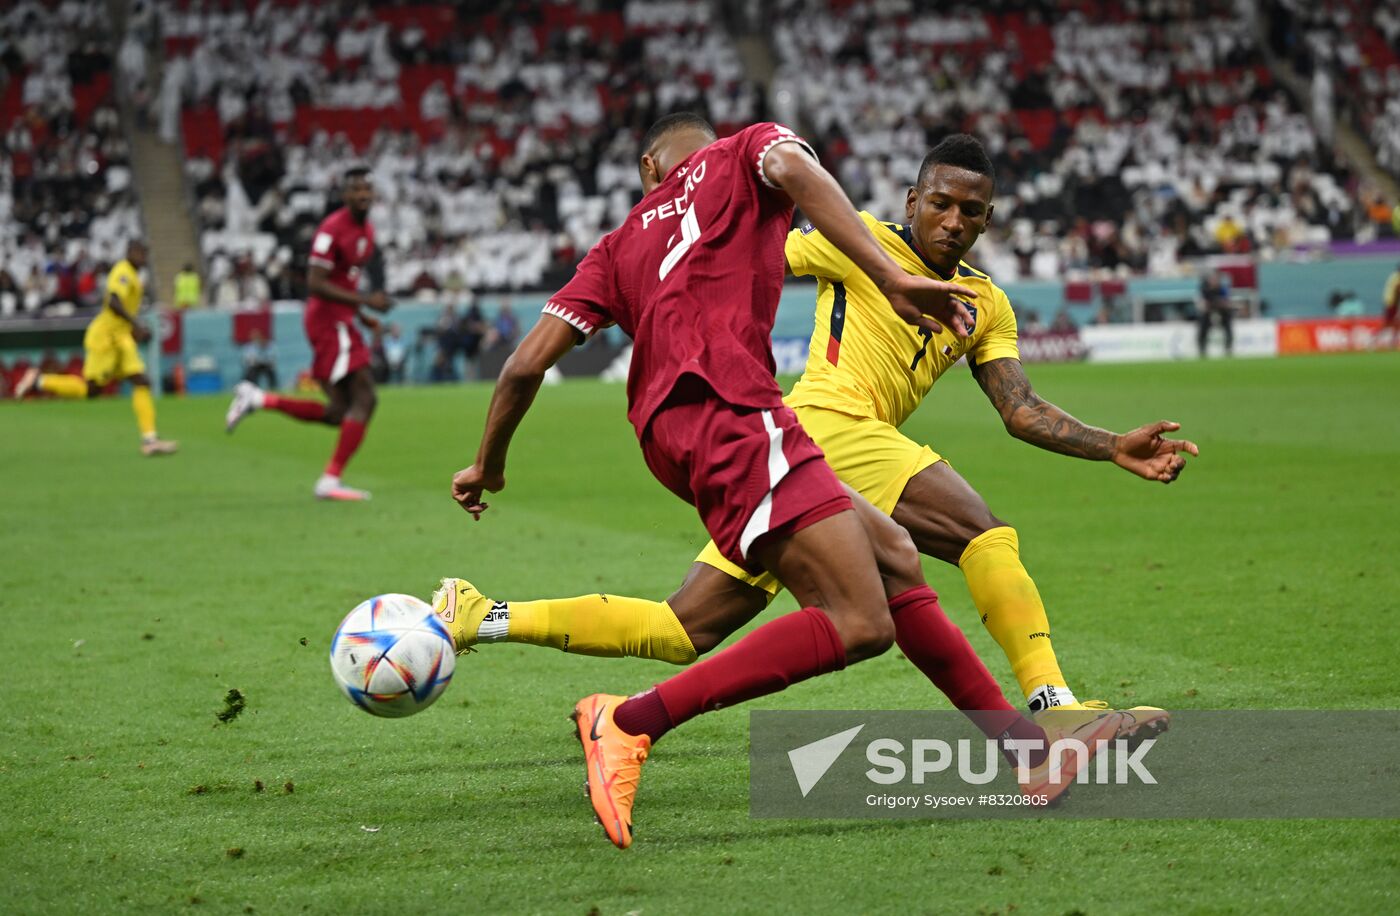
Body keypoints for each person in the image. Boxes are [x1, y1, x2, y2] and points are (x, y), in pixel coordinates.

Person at [445, 116, 1122, 849]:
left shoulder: (617, 246)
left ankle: (1026, 750)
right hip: (738, 411)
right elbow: (794, 173)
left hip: (683, 435)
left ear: (649, 171)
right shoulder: (742, 155)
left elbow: (522, 366)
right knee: (864, 620)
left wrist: (489, 464)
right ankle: (630, 720)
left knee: (878, 559)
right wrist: (890, 274)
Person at [224, 166, 391, 500]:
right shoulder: (331, 230)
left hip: (342, 319)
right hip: (328, 320)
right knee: (366, 397)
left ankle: (258, 398)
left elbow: (344, 281)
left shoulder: (367, 232)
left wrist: (362, 315)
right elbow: (316, 283)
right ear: (345, 196)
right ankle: (330, 480)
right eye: (355, 190)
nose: (362, 195)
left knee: (337, 412)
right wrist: (365, 301)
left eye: (367, 189)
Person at [14, 240, 178, 456]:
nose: (143, 257)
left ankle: (149, 440)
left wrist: (133, 329)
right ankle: (39, 380)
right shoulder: (123, 271)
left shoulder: (132, 274)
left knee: (141, 381)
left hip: (120, 338)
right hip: (107, 338)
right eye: (139, 253)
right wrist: (136, 325)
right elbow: (113, 302)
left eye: (145, 253)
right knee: (92, 390)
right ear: (129, 252)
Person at [1198, 269, 1233, 357]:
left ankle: (1228, 348)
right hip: (1209, 311)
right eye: (1213, 279)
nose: (1214, 281)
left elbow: (1226, 302)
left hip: (1221, 311)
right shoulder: (1205, 289)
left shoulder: (1222, 289)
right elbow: (1203, 303)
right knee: (1203, 326)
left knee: (1227, 325)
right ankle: (1202, 349)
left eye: (1216, 279)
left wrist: (1220, 304)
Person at [1383, 262, 1400, 346]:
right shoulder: (1397, 277)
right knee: (1389, 324)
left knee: (1395, 323)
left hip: (1391, 302)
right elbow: (1398, 288)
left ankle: (1393, 342)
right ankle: (1373, 341)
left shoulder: (1393, 276)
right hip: (1392, 303)